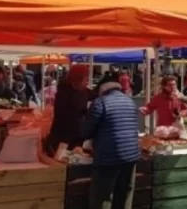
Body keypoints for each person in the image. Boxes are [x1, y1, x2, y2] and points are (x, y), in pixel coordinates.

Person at [82, 73, 141, 209]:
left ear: (102, 89)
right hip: (131, 156)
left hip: (108, 156)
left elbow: (86, 131)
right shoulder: (129, 101)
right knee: (124, 194)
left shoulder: (100, 102)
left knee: (102, 196)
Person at [47, 65, 94, 152]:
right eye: (85, 78)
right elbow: (60, 113)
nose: (87, 81)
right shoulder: (64, 91)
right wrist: (83, 112)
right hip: (63, 135)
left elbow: (98, 96)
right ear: (78, 78)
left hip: (78, 135)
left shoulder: (85, 92)